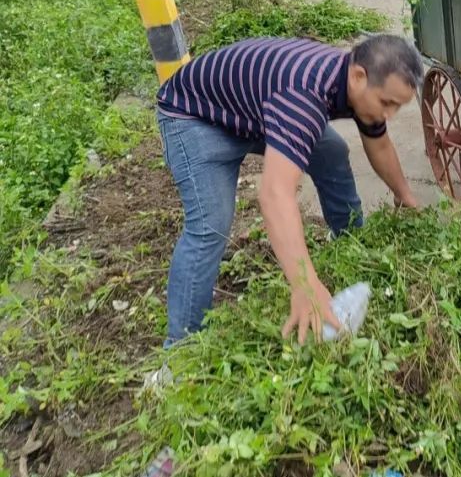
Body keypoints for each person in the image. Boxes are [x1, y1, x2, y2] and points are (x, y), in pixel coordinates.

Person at [155, 33, 424, 347]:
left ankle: (351, 244)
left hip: (253, 112)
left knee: (332, 152)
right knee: (210, 224)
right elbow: (274, 194)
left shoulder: (352, 83)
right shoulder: (303, 98)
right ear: (358, 76)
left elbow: (379, 144)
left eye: (397, 107)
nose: (388, 115)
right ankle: (181, 349)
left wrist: (406, 197)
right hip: (197, 118)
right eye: (386, 103)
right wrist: (304, 285)